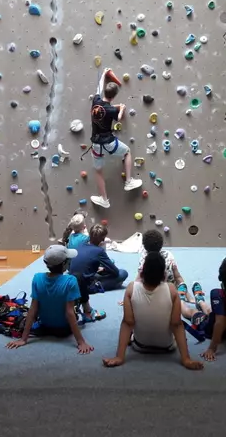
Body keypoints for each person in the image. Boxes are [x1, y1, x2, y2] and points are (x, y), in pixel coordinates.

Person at [103, 252, 203, 370]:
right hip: (167, 346)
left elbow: (127, 323)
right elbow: (176, 324)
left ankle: (130, 341)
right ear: (164, 274)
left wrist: (119, 357)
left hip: (140, 346)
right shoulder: (171, 289)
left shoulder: (131, 288)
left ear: (142, 272)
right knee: (177, 327)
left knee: (131, 326)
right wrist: (186, 359)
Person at [6, 245, 95, 354]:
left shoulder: (37, 278)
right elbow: (69, 313)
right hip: (64, 330)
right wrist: (81, 342)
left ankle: (86, 312)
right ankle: (88, 313)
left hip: (44, 326)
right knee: (79, 277)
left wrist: (23, 339)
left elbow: (33, 309)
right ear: (64, 264)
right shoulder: (71, 280)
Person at [88, 67, 142, 208]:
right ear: (114, 97)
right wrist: (122, 109)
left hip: (96, 145)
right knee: (127, 151)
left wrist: (105, 74)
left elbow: (98, 87)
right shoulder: (112, 110)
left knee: (99, 172)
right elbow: (118, 118)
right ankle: (129, 181)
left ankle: (104, 199)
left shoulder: (96, 101)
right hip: (109, 142)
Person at [70, 224, 129, 296]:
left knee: (100, 273)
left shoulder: (81, 245)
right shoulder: (99, 251)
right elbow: (115, 272)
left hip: (74, 282)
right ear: (103, 240)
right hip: (87, 287)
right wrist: (105, 270)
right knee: (123, 273)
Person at [137, 230, 192, 303]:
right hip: (169, 289)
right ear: (161, 244)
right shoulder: (169, 255)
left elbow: (139, 279)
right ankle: (187, 296)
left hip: (150, 290)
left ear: (144, 245)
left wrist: (132, 296)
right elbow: (177, 277)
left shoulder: (143, 259)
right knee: (178, 277)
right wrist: (188, 296)